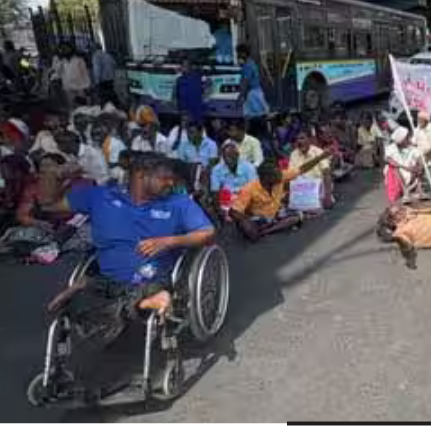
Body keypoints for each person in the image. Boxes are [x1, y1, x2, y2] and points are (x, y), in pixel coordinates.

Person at [42, 153, 215, 386]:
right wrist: (56, 175)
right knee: (76, 305)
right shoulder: (101, 196)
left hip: (150, 278)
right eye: (165, 178)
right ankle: (98, 296)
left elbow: (207, 233)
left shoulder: (178, 203)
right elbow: (48, 203)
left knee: (150, 290)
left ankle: (145, 301)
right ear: (142, 176)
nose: (171, 183)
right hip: (106, 278)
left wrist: (168, 241)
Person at [229, 149, 331, 241]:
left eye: (279, 173)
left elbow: (302, 169)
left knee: (297, 217)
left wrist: (320, 157)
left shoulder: (279, 176)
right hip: (257, 218)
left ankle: (267, 231)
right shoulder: (249, 189)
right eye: (275, 175)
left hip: (275, 214)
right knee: (250, 232)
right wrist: (246, 222)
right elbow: (233, 212)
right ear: (266, 178)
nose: (280, 176)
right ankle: (263, 228)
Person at [209, 140, 257, 215]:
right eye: (225, 157)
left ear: (237, 155)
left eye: (231, 156)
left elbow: (254, 189)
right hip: (227, 201)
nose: (228, 160)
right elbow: (215, 192)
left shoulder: (249, 167)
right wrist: (219, 208)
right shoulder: (216, 170)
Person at [289, 133, 334, 209]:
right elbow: (292, 175)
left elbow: (327, 174)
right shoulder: (293, 154)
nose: (299, 141)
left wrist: (328, 197)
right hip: (301, 190)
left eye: (302, 138)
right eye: (297, 139)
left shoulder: (318, 152)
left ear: (309, 140)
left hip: (317, 189)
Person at [384, 127, 424, 203]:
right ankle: (405, 191)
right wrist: (406, 168)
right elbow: (388, 160)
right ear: (401, 140)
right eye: (406, 138)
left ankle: (419, 190)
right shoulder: (390, 148)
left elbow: (419, 158)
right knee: (393, 167)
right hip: (395, 175)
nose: (409, 139)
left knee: (418, 166)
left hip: (410, 172)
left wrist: (420, 167)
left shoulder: (412, 148)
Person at [236, 45, 270, 134]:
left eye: (239, 53)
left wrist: (240, 96)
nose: (238, 55)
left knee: (254, 120)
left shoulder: (248, 65)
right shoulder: (250, 63)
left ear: (244, 53)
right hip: (254, 94)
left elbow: (245, 82)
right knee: (257, 119)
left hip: (253, 95)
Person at [174, 59, 206, 124]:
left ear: (190, 66)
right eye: (183, 66)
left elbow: (208, 83)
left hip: (196, 111)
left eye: (186, 65)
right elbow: (176, 94)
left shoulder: (198, 76)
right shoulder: (179, 79)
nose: (184, 67)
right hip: (184, 111)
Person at [60, 45, 92, 109]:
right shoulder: (63, 62)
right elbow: (61, 74)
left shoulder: (79, 60)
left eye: (66, 49)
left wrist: (87, 86)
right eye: (63, 50)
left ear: (71, 50)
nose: (65, 51)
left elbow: (85, 74)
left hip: (80, 88)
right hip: (68, 89)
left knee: (83, 107)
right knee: (73, 108)